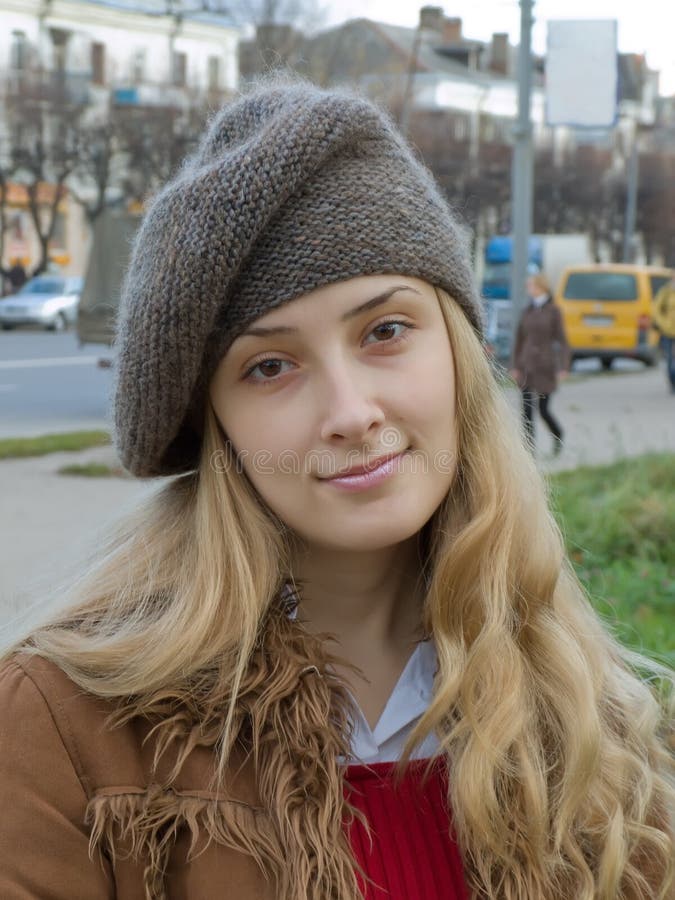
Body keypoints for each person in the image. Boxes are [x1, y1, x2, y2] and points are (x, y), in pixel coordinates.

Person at [0, 79, 672, 900]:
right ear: (218, 426)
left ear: (458, 353)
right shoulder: (62, 726)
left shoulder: (593, 714)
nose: (351, 414)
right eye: (270, 366)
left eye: (385, 331)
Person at [510, 272, 570, 455]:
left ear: (541, 287)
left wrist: (564, 366)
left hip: (545, 366)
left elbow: (562, 341)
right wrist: (515, 366)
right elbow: (519, 339)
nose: (529, 289)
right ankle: (529, 451)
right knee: (526, 410)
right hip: (527, 365)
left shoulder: (553, 311)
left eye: (531, 285)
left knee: (543, 409)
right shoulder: (527, 310)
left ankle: (558, 434)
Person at [653, 272, 675, 393]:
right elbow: (656, 309)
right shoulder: (665, 292)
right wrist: (663, 323)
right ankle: (673, 383)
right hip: (667, 331)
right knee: (670, 359)